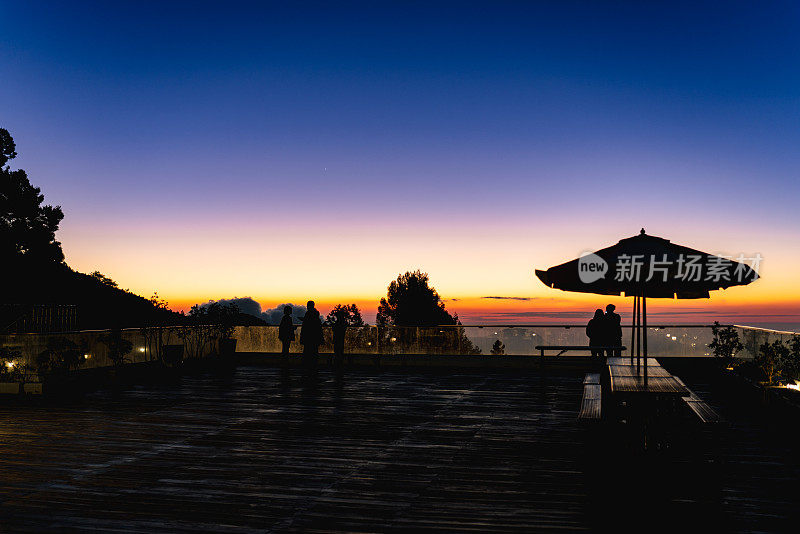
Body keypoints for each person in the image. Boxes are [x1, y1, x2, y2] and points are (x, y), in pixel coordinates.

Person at [299, 300, 323, 368]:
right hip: (315, 337)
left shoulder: (309, 314)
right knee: (314, 351)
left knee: (308, 351)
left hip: (308, 337)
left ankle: (308, 365)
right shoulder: (316, 314)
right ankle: (313, 365)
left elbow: (307, 324)